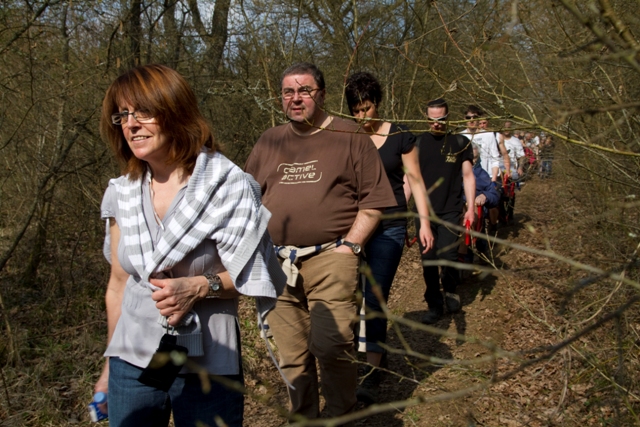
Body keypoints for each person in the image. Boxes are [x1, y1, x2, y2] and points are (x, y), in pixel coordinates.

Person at [95, 64, 285, 427]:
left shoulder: (229, 186)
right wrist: (108, 365)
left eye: (143, 112)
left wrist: (200, 286)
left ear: (175, 111)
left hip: (210, 361)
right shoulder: (121, 193)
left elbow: (258, 275)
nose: (131, 124)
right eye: (123, 115)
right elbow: (119, 284)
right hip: (132, 358)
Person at [244, 63, 396, 423]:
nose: (296, 99)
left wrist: (350, 247)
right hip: (276, 262)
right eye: (288, 92)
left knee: (332, 345)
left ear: (322, 94)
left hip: (331, 256)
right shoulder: (270, 140)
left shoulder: (350, 135)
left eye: (305, 91)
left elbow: (373, 203)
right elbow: (245, 200)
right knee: (292, 355)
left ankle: (342, 413)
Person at [344, 72, 433, 404]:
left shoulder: (400, 136)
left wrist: (424, 224)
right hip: (354, 226)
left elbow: (417, 181)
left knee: (374, 298)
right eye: (355, 110)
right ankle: (361, 355)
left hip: (392, 226)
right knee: (349, 297)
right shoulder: (347, 136)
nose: (361, 116)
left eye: (366, 108)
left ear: (376, 104)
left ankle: (372, 372)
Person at [413, 98, 475, 325]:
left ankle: (450, 291)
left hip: (451, 209)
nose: (437, 124)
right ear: (426, 118)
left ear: (448, 117)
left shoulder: (460, 142)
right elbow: (410, 179)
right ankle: (434, 303)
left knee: (448, 255)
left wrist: (471, 209)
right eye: (432, 120)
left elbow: (468, 176)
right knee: (428, 259)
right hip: (423, 212)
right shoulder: (417, 143)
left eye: (441, 120)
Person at [460, 106, 501, 183]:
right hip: (466, 179)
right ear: (464, 119)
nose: (471, 120)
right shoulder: (460, 136)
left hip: (487, 178)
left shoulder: (488, 135)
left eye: (474, 117)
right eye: (468, 118)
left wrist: (493, 179)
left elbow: (495, 158)